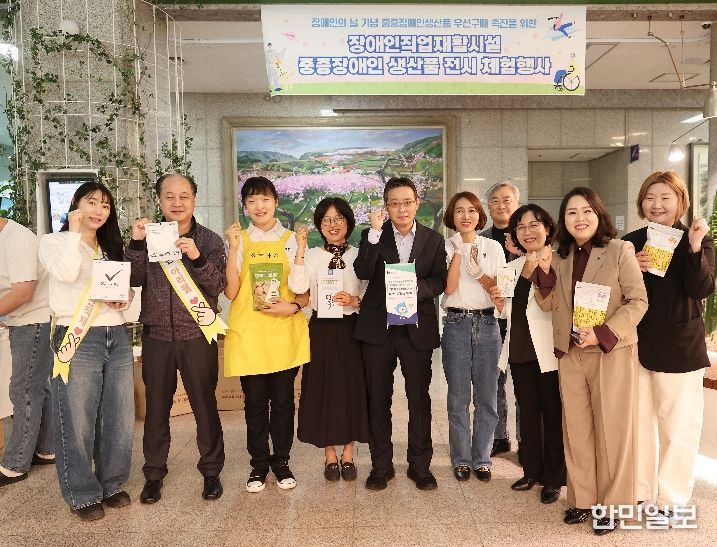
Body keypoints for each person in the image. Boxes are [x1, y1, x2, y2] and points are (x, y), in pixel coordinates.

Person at [533, 187, 647, 536]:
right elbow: (547, 304)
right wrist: (543, 273)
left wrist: (603, 332)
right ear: (563, 220)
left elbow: (638, 301)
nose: (579, 218)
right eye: (571, 213)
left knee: (613, 431)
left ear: (598, 214)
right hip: (571, 353)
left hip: (611, 351)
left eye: (586, 211)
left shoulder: (619, 250)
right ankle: (582, 499)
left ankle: (613, 506)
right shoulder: (560, 256)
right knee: (577, 430)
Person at [127, 173, 227, 504]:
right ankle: (153, 474)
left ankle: (211, 472)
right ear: (160, 200)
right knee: (156, 409)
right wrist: (136, 244)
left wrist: (197, 257)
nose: (177, 202)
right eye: (169, 196)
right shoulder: (150, 237)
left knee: (204, 405)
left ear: (194, 199)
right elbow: (133, 278)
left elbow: (218, 285)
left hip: (197, 335)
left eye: (184, 196)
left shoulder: (210, 240)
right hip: (157, 335)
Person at [39, 182, 134, 521]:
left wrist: (125, 299)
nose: (99, 210)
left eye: (105, 206)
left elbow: (123, 292)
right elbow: (65, 273)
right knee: (76, 417)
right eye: (92, 202)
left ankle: (112, 484)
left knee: (118, 415)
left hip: (116, 334)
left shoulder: (111, 246)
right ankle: (81, 493)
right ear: (76, 205)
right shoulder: (53, 242)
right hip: (76, 335)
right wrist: (74, 231)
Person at [623, 171, 713, 512]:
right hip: (636, 346)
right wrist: (629, 267)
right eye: (650, 197)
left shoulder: (697, 240)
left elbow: (701, 289)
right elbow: (614, 294)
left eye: (665, 197)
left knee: (678, 427)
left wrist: (694, 246)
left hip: (679, 347)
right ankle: (640, 489)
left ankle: (671, 498)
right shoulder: (630, 242)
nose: (657, 204)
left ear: (680, 201)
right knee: (638, 424)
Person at [354, 176, 447, 491]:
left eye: (407, 202)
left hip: (416, 328)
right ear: (386, 207)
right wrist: (374, 234)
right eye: (394, 204)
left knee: (419, 399)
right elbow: (363, 271)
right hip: (378, 328)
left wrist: (416, 288)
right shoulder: (373, 235)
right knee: (377, 400)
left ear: (417, 203)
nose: (401, 209)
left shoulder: (433, 240)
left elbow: (440, 280)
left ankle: (420, 466)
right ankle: (381, 466)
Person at [224, 176, 310, 493]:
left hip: (283, 334)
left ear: (275, 202)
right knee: (255, 404)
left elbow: (303, 291)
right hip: (249, 334)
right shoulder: (239, 240)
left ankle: (281, 461)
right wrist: (233, 249)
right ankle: (258, 464)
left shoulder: (291, 240)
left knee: (284, 402)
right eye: (251, 201)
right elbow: (231, 292)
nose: (259, 206)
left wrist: (293, 306)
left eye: (264, 199)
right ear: (245, 206)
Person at [288, 197, 369, 481]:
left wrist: (355, 300)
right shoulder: (311, 255)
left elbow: (371, 293)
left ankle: (348, 454)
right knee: (323, 388)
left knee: (352, 388)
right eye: (326, 220)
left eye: (338, 219)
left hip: (352, 328)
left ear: (348, 222)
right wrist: (300, 249)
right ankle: (330, 455)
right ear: (319, 225)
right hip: (321, 329)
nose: (333, 225)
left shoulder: (360, 255)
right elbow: (298, 286)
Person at [490, 204, 566, 504]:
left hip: (549, 351)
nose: (527, 232)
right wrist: (499, 304)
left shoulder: (561, 262)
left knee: (553, 415)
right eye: (520, 227)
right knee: (528, 415)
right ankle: (531, 470)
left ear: (547, 228)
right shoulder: (511, 268)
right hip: (519, 350)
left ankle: (554, 477)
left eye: (534, 225)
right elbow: (508, 310)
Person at [441, 192, 505, 482]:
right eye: (459, 211)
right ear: (451, 217)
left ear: (480, 215)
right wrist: (458, 252)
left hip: (488, 324)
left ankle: (482, 459)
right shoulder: (445, 246)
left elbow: (500, 289)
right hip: (456, 323)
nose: (466, 216)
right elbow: (449, 288)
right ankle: (461, 458)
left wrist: (479, 272)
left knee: (487, 397)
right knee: (458, 398)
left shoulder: (493, 247)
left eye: (471, 210)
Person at [0, 217, 54, 487]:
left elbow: (23, 293)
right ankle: (46, 448)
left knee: (24, 390)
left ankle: (16, 463)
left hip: (33, 320)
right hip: (22, 320)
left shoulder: (17, 239)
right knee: (38, 387)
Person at [481, 181, 521, 458]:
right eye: (495, 200)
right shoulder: (482, 240)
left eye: (506, 200)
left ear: (517, 203)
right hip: (492, 318)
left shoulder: (530, 236)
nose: (501, 205)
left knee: (523, 383)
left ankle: (525, 439)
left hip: (524, 320)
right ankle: (499, 437)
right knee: (493, 381)